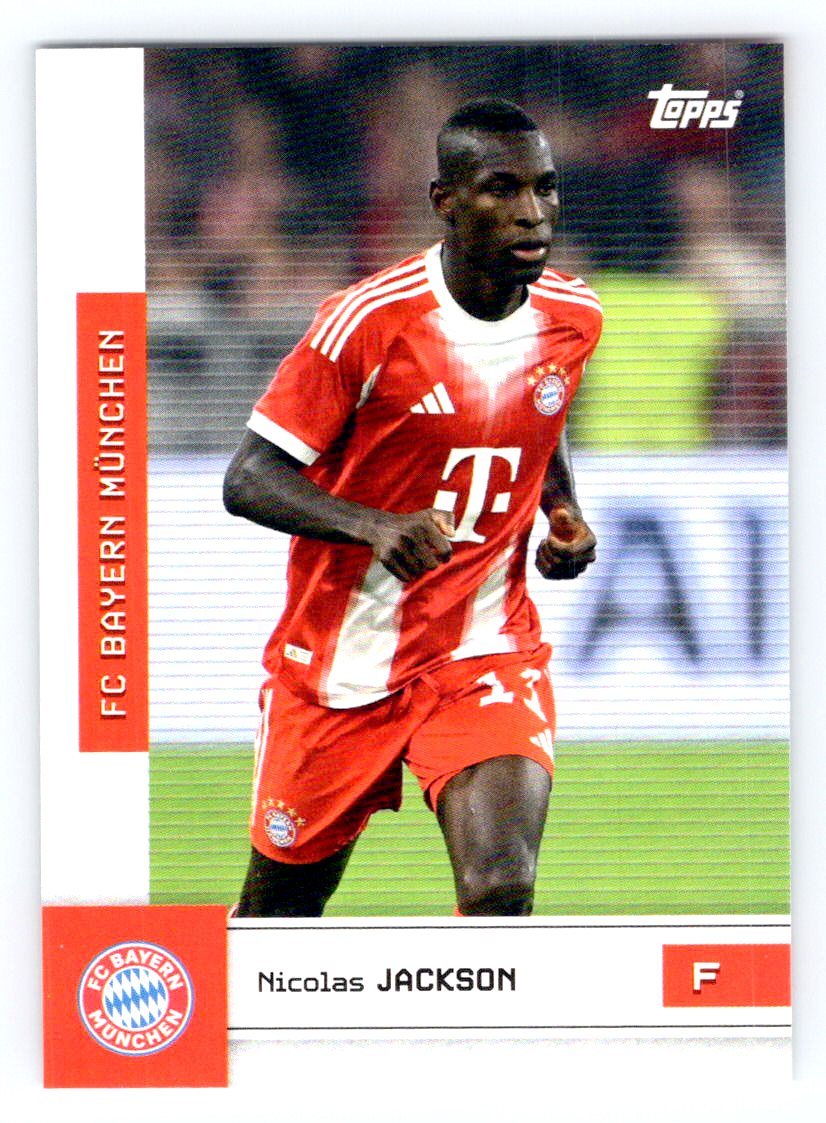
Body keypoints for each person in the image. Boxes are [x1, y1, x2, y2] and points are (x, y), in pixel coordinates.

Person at [223, 98, 603, 917]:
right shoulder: (368, 322)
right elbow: (248, 477)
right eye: (502, 189)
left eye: (544, 187)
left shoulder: (574, 318)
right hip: (339, 665)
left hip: (482, 646)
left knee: (500, 884)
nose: (531, 212)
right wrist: (373, 525)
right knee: (277, 923)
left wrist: (562, 508)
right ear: (446, 201)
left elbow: (542, 413)